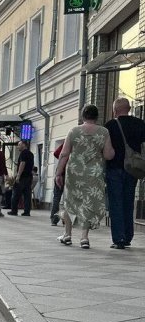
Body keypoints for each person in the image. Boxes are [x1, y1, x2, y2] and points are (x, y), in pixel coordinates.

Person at [55, 104, 114, 249]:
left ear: (83, 116)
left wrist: (58, 173)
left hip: (75, 172)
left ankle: (67, 234)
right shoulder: (104, 132)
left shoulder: (74, 131)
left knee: (70, 202)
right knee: (89, 202)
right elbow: (108, 155)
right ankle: (84, 238)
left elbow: (64, 154)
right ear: (96, 117)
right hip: (94, 173)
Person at [104, 97, 145, 248]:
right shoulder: (140, 124)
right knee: (128, 202)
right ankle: (128, 236)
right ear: (129, 109)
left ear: (115, 110)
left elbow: (105, 149)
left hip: (114, 168)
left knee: (116, 203)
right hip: (133, 169)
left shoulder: (110, 126)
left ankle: (119, 238)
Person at [8, 140, 34, 215]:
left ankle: (14, 211)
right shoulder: (31, 154)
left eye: (19, 145)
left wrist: (18, 176)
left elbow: (22, 164)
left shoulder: (23, 153)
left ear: (24, 145)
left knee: (15, 193)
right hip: (29, 176)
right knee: (27, 195)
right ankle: (27, 211)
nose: (17, 147)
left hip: (22, 177)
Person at [50, 143, 65, 226]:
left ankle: (54, 219)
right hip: (74, 173)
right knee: (69, 198)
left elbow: (56, 153)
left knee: (56, 197)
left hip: (61, 171)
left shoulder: (68, 140)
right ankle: (67, 220)